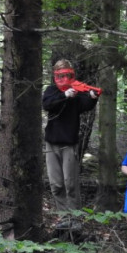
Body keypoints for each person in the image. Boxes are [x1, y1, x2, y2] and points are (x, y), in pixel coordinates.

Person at [42, 59, 99, 215]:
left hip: (69, 144)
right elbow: (47, 104)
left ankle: (75, 218)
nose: (65, 79)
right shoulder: (51, 90)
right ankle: (63, 217)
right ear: (56, 76)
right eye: (61, 75)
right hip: (51, 143)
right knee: (56, 184)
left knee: (71, 183)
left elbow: (85, 104)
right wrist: (64, 95)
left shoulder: (77, 92)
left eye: (68, 75)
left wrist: (93, 97)